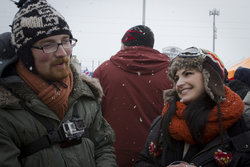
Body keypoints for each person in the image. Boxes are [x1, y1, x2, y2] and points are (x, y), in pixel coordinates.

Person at [0, 0, 117, 166]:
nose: (63, 53)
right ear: (26, 54)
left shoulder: (85, 95)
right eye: (48, 44)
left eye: (66, 41)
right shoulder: (6, 111)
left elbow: (104, 147)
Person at [134, 47, 250, 167]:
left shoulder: (242, 126)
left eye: (188, 73)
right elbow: (142, 161)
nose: (179, 83)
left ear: (210, 77)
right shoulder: (163, 121)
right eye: (177, 77)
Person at [92, 25, 173, 167]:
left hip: (112, 155)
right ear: (151, 46)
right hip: (156, 154)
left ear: (124, 45)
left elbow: (92, 118)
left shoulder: (104, 71)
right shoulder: (171, 73)